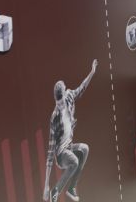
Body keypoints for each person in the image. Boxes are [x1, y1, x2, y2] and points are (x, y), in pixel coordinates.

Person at [43, 59, 97, 202]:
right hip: (61, 154)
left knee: (85, 148)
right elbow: (50, 153)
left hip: (69, 146)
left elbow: (82, 87)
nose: (60, 107)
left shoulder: (69, 96)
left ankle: (71, 188)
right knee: (74, 161)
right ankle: (55, 191)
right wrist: (46, 185)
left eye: (61, 103)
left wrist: (92, 72)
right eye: (58, 104)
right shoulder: (54, 117)